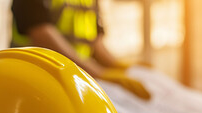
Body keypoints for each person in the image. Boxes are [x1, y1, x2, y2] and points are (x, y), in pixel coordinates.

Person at [11, 0, 151, 100]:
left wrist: (118, 66)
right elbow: (41, 34)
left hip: (77, 80)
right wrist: (99, 73)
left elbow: (95, 43)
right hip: (37, 80)